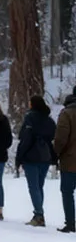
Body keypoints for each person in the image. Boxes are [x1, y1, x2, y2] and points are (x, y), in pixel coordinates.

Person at [16, 95, 56, 227]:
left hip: (31, 156)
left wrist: (20, 156)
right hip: (45, 156)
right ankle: (39, 213)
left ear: (32, 104)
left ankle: (39, 214)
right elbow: (53, 136)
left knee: (33, 187)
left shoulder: (30, 118)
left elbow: (25, 138)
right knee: (39, 186)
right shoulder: (49, 120)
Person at [53, 92, 76, 233]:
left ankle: (71, 223)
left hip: (70, 159)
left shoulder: (67, 114)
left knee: (67, 192)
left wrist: (55, 153)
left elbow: (61, 138)